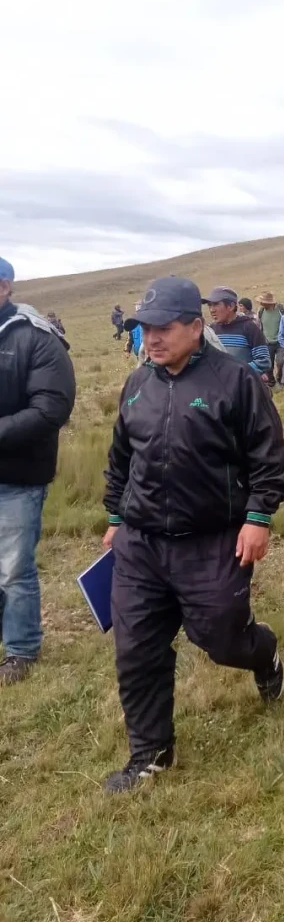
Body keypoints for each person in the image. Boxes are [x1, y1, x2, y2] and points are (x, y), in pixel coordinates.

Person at [102, 277, 284, 793]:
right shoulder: (137, 383)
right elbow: (121, 459)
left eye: (163, 328)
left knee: (221, 639)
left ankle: (263, 651)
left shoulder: (234, 382)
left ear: (194, 326)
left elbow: (268, 457)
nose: (152, 338)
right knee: (137, 648)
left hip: (212, 539)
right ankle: (150, 754)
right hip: (140, 543)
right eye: (145, 329)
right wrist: (115, 518)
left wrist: (258, 518)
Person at [0, 256, 76, 684]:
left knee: (13, 566)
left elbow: (51, 408)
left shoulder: (36, 338)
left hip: (18, 475)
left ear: (6, 286)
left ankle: (21, 649)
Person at [203, 286, 271, 375]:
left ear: (231, 306)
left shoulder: (249, 327)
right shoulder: (211, 330)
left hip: (244, 386)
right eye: (210, 305)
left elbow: (264, 361)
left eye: (216, 304)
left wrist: (235, 372)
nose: (212, 310)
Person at [257, 292, 284, 386]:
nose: (262, 304)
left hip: (280, 342)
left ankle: (280, 379)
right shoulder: (261, 311)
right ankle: (271, 381)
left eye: (264, 302)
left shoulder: (280, 310)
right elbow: (259, 327)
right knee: (268, 365)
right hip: (267, 342)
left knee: (281, 362)